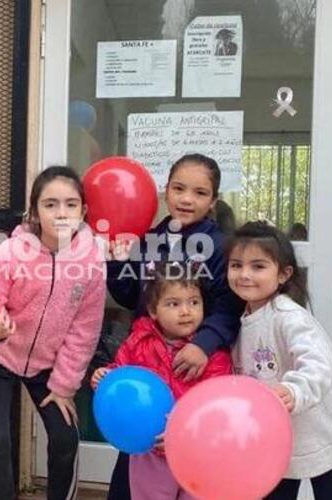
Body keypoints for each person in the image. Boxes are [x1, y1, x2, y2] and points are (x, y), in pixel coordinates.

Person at [104, 153, 244, 500]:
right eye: (178, 188)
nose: (186, 199)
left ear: (213, 200)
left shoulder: (220, 247)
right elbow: (130, 296)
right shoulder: (149, 239)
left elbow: (229, 305)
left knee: (188, 461)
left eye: (199, 193)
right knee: (137, 460)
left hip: (194, 365)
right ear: (165, 190)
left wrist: (204, 344)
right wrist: (116, 262)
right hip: (148, 360)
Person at [0, 166, 106, 500]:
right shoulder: (11, 252)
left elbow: (85, 329)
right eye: (50, 204)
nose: (61, 213)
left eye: (70, 204)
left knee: (65, 439)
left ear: (84, 211)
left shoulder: (92, 261)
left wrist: (64, 386)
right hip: (0, 355)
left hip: (50, 363)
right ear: (34, 211)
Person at [227, 222, 332, 500]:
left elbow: (318, 364)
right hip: (275, 445)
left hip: (323, 439)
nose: (244, 275)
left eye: (258, 266)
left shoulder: (289, 317)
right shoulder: (240, 321)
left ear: (284, 274)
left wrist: (294, 390)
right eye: (236, 265)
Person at [91, 261, 232, 500]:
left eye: (194, 302)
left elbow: (216, 405)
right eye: (173, 304)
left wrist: (183, 434)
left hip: (195, 452)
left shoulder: (213, 355)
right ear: (154, 310)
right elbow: (122, 376)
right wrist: (106, 377)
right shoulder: (139, 341)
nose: (186, 311)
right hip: (150, 452)